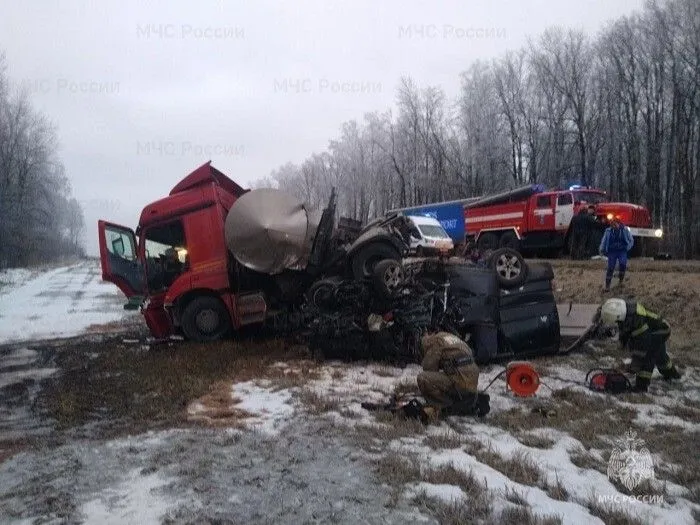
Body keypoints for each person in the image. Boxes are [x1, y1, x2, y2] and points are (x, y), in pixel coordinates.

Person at [600, 298, 681, 392]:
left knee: (648, 356)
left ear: (618, 317)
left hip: (661, 331)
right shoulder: (624, 312)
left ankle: (641, 386)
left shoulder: (637, 321)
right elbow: (626, 331)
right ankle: (673, 376)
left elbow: (641, 348)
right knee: (660, 356)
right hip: (652, 329)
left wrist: (634, 366)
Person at [416, 332, 488, 419]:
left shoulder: (434, 342)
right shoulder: (449, 338)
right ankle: (466, 398)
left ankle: (443, 406)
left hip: (459, 378)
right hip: (471, 378)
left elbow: (429, 368)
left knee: (423, 378)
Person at [599, 217, 634, 291]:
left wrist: (628, 247)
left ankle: (621, 281)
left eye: (615, 224)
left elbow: (631, 240)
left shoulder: (625, 230)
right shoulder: (608, 231)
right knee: (611, 267)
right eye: (612, 225)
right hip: (612, 251)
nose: (614, 226)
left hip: (622, 250)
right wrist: (602, 249)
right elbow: (604, 240)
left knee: (623, 264)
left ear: (619, 224)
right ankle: (607, 285)